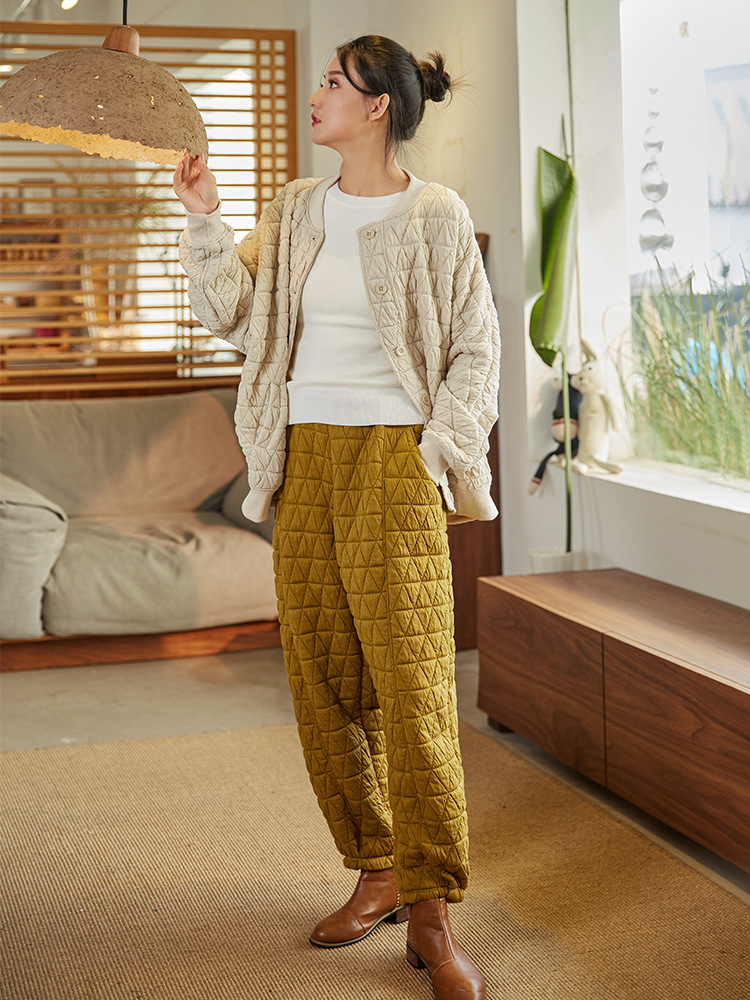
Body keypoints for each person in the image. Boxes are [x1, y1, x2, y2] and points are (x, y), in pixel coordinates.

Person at [174, 34, 499, 1000]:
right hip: (304, 462)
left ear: (378, 107)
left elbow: (476, 348)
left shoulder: (436, 214)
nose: (316, 95)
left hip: (395, 462)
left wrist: (436, 449)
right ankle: (377, 869)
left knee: (414, 689)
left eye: (332, 83)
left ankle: (432, 915)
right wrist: (204, 218)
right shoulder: (294, 210)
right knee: (324, 684)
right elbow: (235, 316)